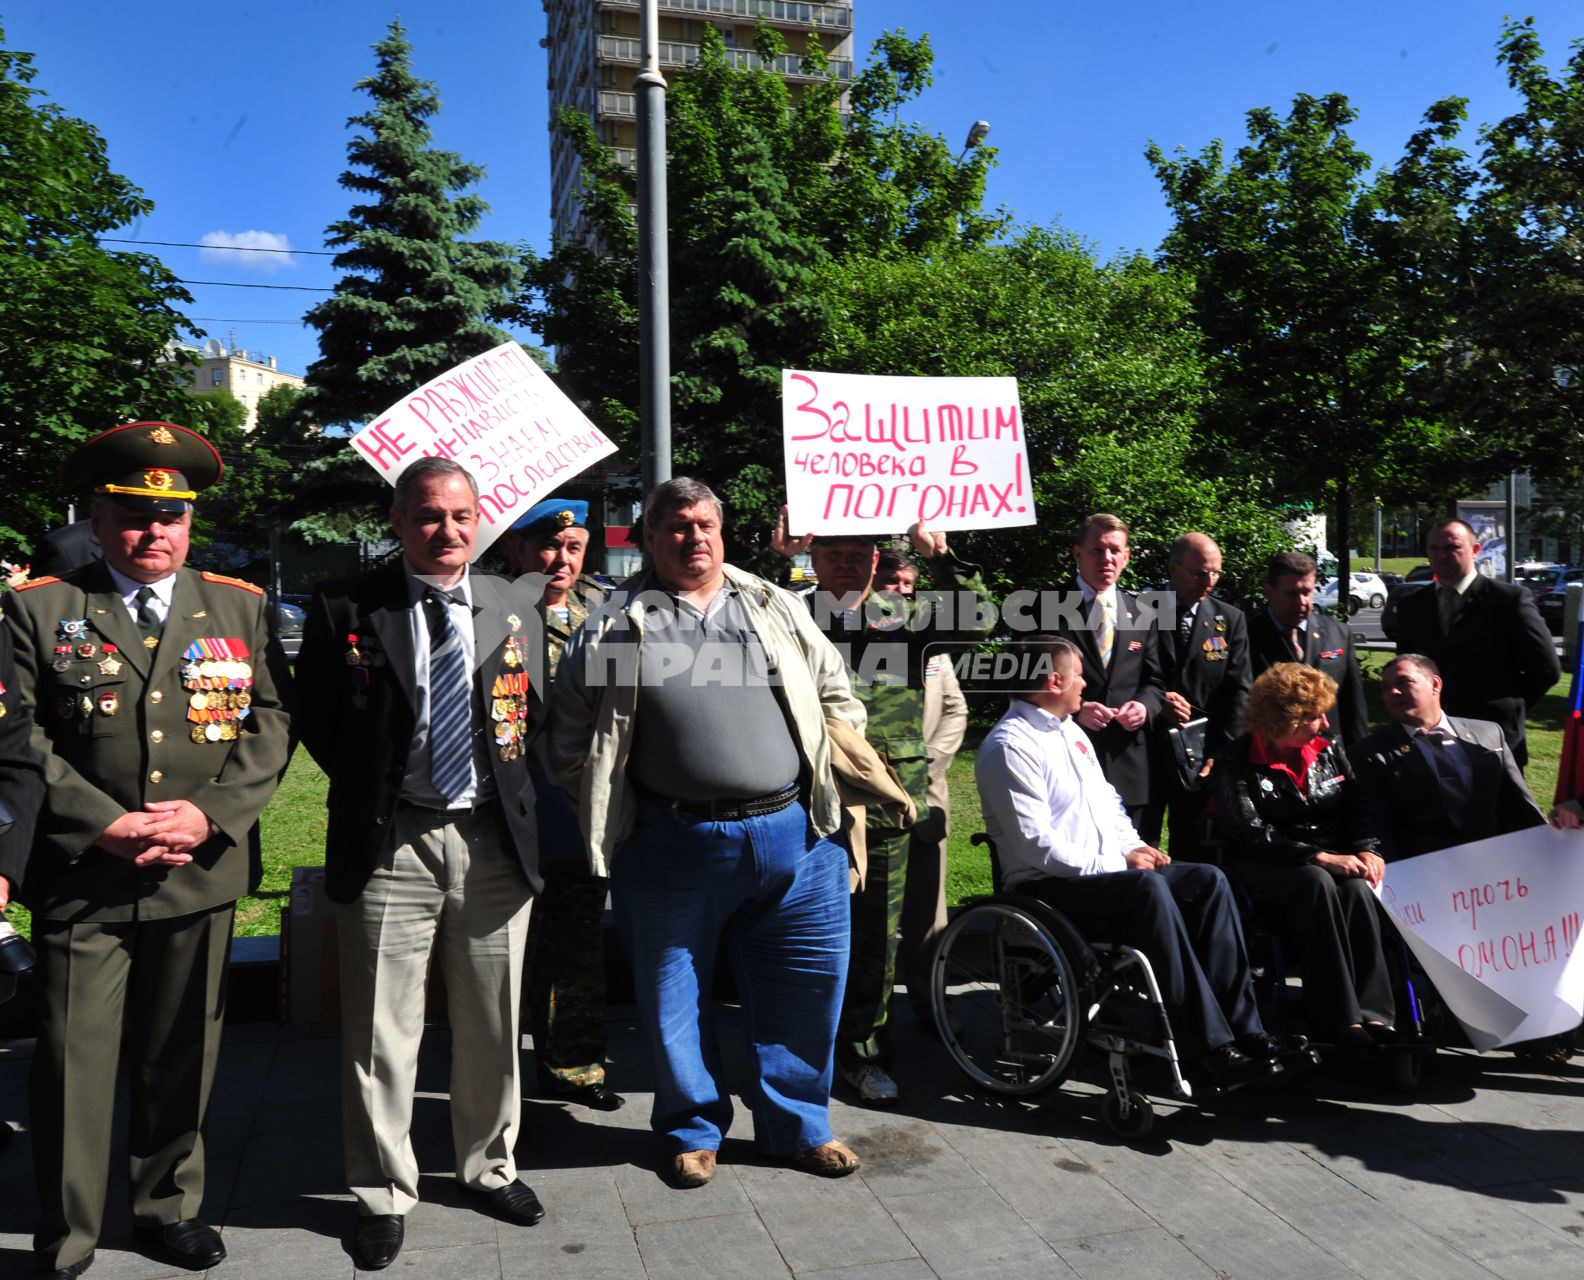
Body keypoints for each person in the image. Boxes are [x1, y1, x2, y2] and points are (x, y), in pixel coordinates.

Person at [7, 422, 292, 1280]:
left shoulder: (238, 605)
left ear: (190, 522)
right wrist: (100, 819)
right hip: (84, 876)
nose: (153, 532)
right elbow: (17, 738)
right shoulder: (41, 608)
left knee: (181, 1056)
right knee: (71, 1060)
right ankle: (69, 1232)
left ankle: (169, 1207)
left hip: (195, 873)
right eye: (132, 514)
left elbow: (270, 720)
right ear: (97, 520)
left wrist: (211, 815)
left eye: (170, 516)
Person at [549, 477, 867, 1187]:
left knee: (806, 987)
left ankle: (797, 1127)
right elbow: (567, 739)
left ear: (722, 533)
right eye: (677, 529)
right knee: (673, 995)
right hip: (670, 842)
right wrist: (618, 812)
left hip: (797, 833)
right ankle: (692, 1130)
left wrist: (834, 763)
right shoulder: (611, 624)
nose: (694, 539)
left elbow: (836, 690)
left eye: (705, 526)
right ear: (650, 539)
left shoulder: (774, 606)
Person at [295, 457, 545, 1271]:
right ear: (399, 521)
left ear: (481, 521)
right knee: (381, 1030)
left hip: (493, 842)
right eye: (430, 516)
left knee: (493, 1020)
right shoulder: (346, 603)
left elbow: (528, 716)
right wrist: (381, 790)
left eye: (462, 516)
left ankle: (487, 1166)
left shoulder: (515, 602)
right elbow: (324, 723)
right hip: (391, 838)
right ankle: (381, 1192)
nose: (448, 531)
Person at [974, 635, 1289, 1087]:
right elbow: (1036, 848)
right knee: (1147, 888)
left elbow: (1109, 806)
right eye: (1078, 674)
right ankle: (1210, 1046)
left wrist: (1135, 847)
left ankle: (1248, 1030)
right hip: (1047, 888)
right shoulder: (1010, 746)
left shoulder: (1071, 733)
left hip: (1103, 874)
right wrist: (1120, 865)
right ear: (1053, 679)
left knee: (1208, 880)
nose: (1085, 683)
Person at [772, 509, 993, 1107]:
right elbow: (729, 617)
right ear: (813, 557)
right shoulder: (790, 613)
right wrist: (778, 560)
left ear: (876, 559)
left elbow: (978, 621)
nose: (846, 560)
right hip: (804, 794)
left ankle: (865, 1054)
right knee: (796, 931)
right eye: (832, 551)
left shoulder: (904, 619)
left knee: (878, 936)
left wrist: (940, 557)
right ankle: (793, 1051)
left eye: (858, 551)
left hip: (886, 796)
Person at [499, 497, 623, 1111]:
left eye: (573, 549)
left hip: (578, 804)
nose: (561, 560)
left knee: (575, 935)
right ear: (518, 549)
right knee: (503, 946)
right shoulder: (492, 610)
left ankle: (573, 1063)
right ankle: (495, 1067)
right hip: (508, 802)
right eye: (548, 546)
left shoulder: (602, 609)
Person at [1215, 664, 1394, 1045]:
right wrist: (1319, 857)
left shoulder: (1329, 750)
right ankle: (1338, 1018)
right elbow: (1248, 830)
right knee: (1317, 881)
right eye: (1314, 716)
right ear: (1285, 719)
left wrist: (1366, 847)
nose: (1324, 722)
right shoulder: (1237, 759)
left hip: (1326, 860)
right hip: (1265, 863)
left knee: (1358, 888)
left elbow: (1356, 808)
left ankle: (1376, 1014)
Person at [872, 550, 969, 1021]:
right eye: (890, 579)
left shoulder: (932, 646)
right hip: (868, 800)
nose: (900, 589)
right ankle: (872, 1012)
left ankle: (932, 1006)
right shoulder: (854, 638)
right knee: (872, 917)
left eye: (909, 583)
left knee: (928, 913)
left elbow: (955, 710)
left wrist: (925, 764)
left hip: (927, 796)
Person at [1392, 519, 1560, 768]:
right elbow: (1404, 672)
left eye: (1451, 547)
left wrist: (1509, 709)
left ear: (1475, 549)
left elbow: (1547, 668)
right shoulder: (1413, 606)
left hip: (1493, 740)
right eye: (1434, 549)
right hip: (1429, 739)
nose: (1441, 555)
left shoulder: (1508, 601)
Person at [1351, 654, 1546, 860]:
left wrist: (1548, 845)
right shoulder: (1370, 753)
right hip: (1423, 870)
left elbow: (1521, 806)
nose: (1393, 692)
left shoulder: (1487, 734)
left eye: (1403, 682)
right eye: (1385, 687)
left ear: (1435, 684)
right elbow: (1378, 827)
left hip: (1494, 865)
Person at [1048, 514, 1165, 829]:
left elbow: (1154, 683)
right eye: (1098, 550)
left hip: (1131, 767)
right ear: (1078, 554)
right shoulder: (1043, 609)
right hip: (1067, 761)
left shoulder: (1143, 613)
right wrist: (1075, 711)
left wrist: (1143, 706)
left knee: (1138, 868)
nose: (1107, 558)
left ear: (1126, 557)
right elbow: (1025, 682)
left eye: (1115, 551)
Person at [1141, 532, 1251, 858]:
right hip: (1143, 748)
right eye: (1200, 572)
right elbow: (1121, 676)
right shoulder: (1139, 610)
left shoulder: (1229, 620)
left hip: (1199, 757)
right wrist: (1155, 701)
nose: (1209, 580)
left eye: (1216, 572)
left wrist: (1222, 753)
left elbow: (1238, 692)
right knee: (1137, 843)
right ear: (1173, 569)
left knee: (1193, 848)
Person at [1247, 551, 1368, 745]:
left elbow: (1353, 705)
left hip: (1328, 750)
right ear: (1270, 592)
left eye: (1307, 592)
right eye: (1292, 593)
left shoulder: (1338, 633)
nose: (1302, 602)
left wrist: (1360, 755)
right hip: (1271, 749)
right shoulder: (1248, 636)